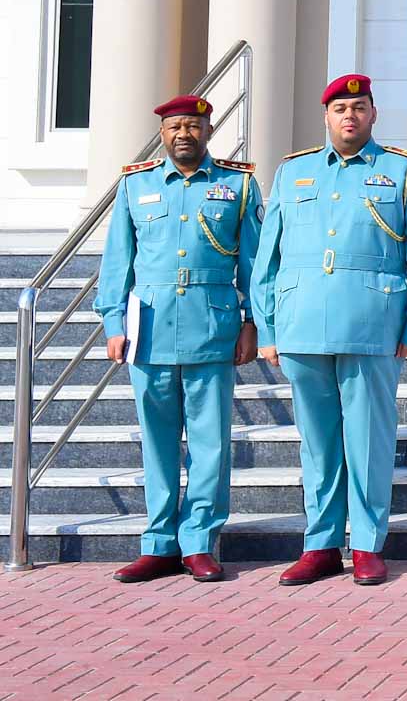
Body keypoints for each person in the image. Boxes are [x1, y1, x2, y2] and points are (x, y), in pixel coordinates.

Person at [254, 74, 407, 586]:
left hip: (372, 322)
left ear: (374, 114)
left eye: (358, 107)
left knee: (369, 438)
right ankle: (320, 543)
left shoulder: (401, 172)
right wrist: (267, 327)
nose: (349, 116)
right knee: (317, 443)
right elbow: (267, 257)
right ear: (326, 116)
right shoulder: (294, 172)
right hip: (302, 320)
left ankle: (366, 542)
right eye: (339, 108)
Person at [96, 95, 261, 584]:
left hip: (213, 326)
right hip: (149, 329)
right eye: (174, 127)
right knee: (158, 442)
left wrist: (254, 323)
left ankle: (199, 543)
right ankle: (159, 543)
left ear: (209, 130)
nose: (183, 134)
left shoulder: (238, 184)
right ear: (163, 134)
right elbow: (116, 262)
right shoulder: (135, 184)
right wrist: (113, 324)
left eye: (192, 125)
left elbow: (253, 264)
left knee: (210, 443)